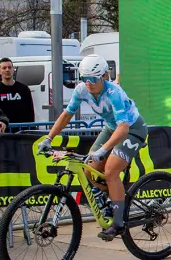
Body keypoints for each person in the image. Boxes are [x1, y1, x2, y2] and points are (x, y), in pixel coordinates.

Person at [37, 54, 148, 240]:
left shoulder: (114, 93)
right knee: (89, 169)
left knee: (111, 171)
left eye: (93, 79)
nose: (89, 83)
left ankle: (118, 223)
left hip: (132, 129)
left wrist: (103, 150)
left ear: (104, 76)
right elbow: (66, 115)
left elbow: (123, 128)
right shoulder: (81, 90)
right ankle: (112, 199)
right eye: (84, 78)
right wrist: (48, 138)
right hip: (111, 128)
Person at [0, 57, 35, 126]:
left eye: (9, 67)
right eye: (4, 68)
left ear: (13, 69)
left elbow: (30, 111)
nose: (7, 70)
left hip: (22, 129)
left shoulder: (24, 89)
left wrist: (31, 127)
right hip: (2, 130)